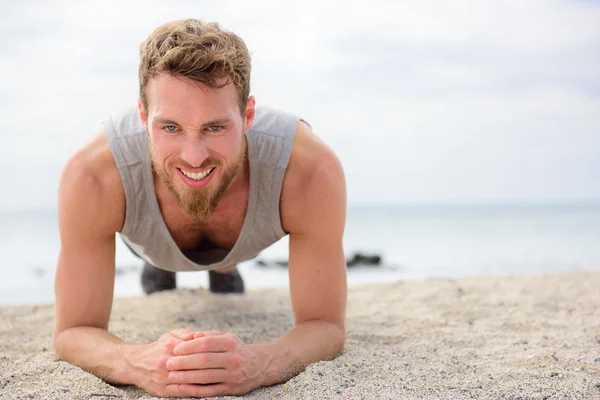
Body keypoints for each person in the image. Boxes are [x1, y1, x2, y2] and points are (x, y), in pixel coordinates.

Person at [52, 18, 347, 398]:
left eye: (215, 127)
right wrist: (137, 361)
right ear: (142, 116)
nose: (193, 156)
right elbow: (71, 332)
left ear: (248, 116)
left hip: (248, 228)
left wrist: (259, 363)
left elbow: (326, 325)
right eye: (170, 127)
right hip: (148, 237)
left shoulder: (309, 170)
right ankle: (162, 264)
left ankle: (226, 263)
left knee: (210, 196)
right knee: (161, 256)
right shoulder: (93, 175)